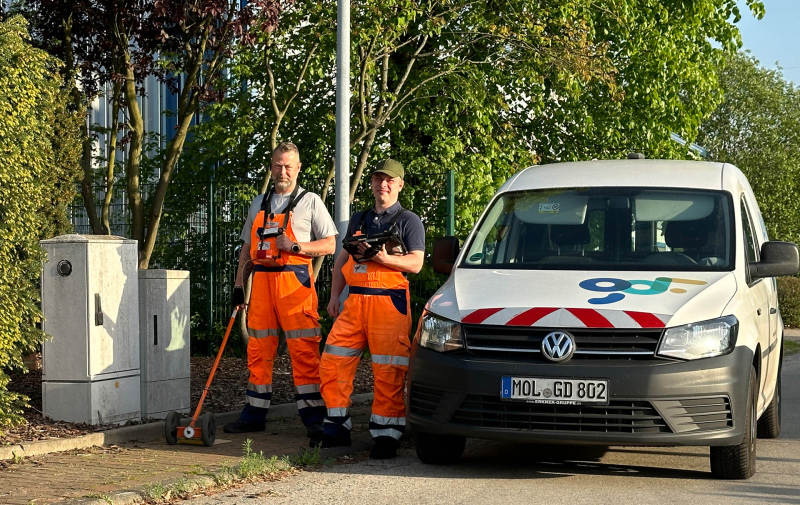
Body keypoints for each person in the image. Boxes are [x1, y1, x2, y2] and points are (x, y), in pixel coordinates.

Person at [225, 142, 337, 448]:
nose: (282, 171)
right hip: (260, 283)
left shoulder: (310, 201)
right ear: (271, 167)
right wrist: (239, 286)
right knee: (258, 351)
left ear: (298, 168)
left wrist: (297, 248)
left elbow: (329, 245)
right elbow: (247, 250)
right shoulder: (258, 203)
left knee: (304, 351)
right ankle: (254, 413)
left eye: (288, 166)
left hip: (295, 284)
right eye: (277, 165)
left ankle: (314, 418)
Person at [318, 159, 425, 459]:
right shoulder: (359, 219)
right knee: (333, 362)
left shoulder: (409, 221)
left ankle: (387, 435)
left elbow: (415, 264)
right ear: (372, 183)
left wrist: (383, 259)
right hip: (354, 303)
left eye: (390, 180)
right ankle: (336, 427)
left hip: (389, 305)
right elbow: (341, 260)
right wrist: (334, 296)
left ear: (400, 184)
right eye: (378, 179)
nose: (383, 184)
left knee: (389, 371)